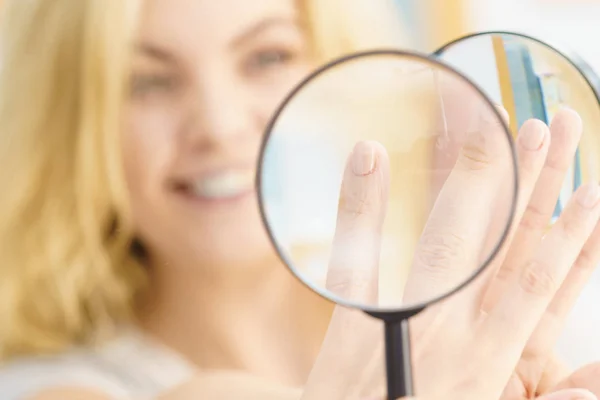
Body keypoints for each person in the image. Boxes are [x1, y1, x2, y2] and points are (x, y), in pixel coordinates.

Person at [0, 0, 599, 399]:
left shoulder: (490, 337)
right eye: (148, 81)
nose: (218, 124)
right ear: (72, 126)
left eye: (267, 57)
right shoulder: (61, 388)